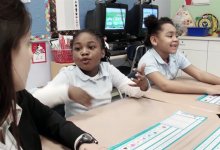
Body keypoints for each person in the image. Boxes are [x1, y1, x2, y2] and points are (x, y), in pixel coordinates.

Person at [0, 0, 101, 149]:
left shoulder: (17, 96)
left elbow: (48, 118)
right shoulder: (67, 72)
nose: (32, 54)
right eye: (28, 43)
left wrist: (82, 141)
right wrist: (65, 92)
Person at [33, 29, 149, 117]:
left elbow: (133, 91)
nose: (84, 52)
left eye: (91, 47)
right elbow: (36, 101)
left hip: (106, 122)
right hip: (80, 130)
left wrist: (142, 87)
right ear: (72, 55)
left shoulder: (108, 69)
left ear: (102, 53)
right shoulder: (68, 75)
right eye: (77, 49)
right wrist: (67, 91)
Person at [138, 15, 220, 94]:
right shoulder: (147, 61)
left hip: (168, 97)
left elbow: (199, 74)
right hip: (150, 100)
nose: (176, 39)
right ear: (154, 40)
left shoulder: (175, 55)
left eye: (176, 35)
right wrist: (208, 89)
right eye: (170, 36)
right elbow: (166, 85)